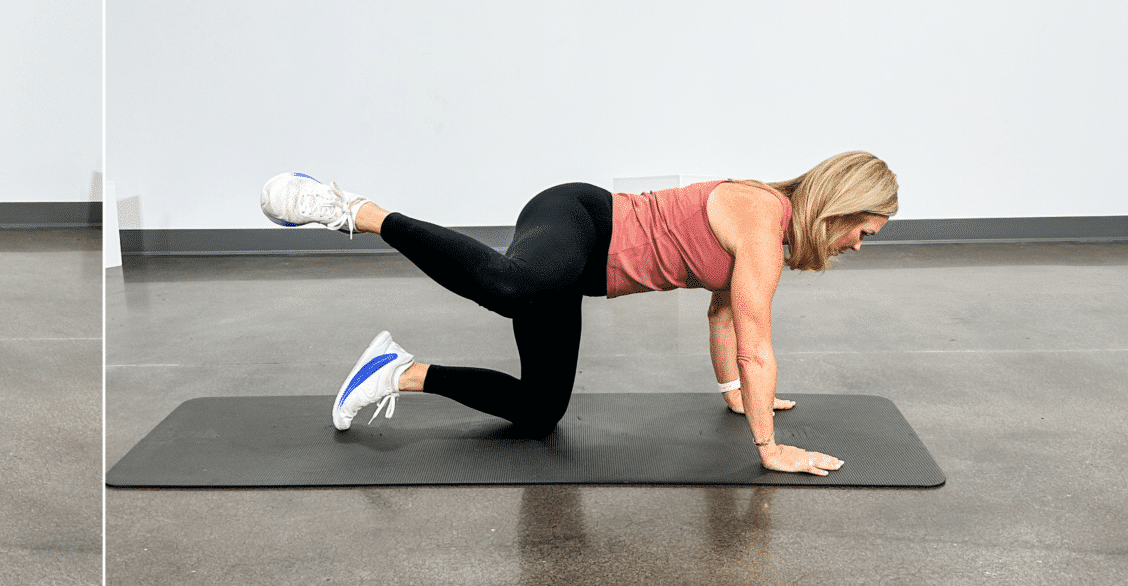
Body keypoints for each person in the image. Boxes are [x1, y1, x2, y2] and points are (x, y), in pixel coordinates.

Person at [260, 151, 898, 476]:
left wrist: (733, 391)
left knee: (540, 410)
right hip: (579, 219)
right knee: (514, 287)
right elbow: (758, 342)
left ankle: (396, 371)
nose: (859, 245)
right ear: (838, 209)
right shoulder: (762, 222)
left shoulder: (772, 237)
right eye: (865, 230)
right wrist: (769, 447)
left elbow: (725, 318)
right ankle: (359, 213)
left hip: (569, 276)